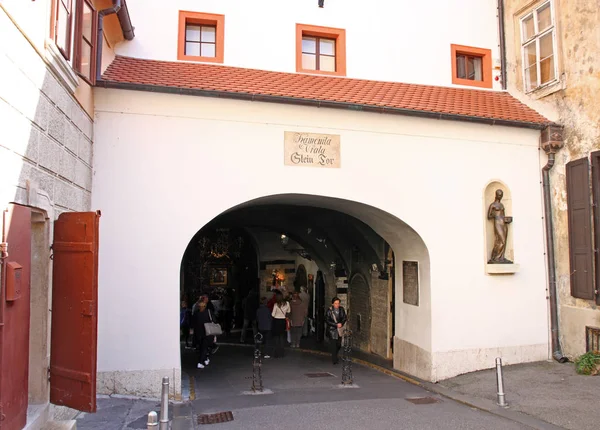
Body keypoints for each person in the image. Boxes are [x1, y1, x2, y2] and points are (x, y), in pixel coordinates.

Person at [192, 301, 215, 369]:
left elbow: (192, 323)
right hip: (207, 332)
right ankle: (200, 362)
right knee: (205, 348)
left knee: (202, 347)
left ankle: (205, 359)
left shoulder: (196, 313)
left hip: (198, 333)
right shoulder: (208, 312)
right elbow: (214, 320)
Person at [325, 297, 347, 364]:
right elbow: (327, 320)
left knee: (339, 344)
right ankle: (334, 359)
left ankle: (335, 354)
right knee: (334, 345)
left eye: (338, 303)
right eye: (335, 303)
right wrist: (335, 324)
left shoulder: (341, 309)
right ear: (332, 304)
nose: (337, 305)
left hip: (339, 330)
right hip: (332, 330)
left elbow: (344, 317)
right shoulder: (329, 310)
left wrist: (341, 323)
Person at [271, 291, 290, 358]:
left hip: (276, 321)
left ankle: (276, 353)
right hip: (283, 321)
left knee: (276, 338)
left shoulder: (276, 304)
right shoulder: (287, 303)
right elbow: (288, 311)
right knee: (282, 337)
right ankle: (282, 353)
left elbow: (273, 314)